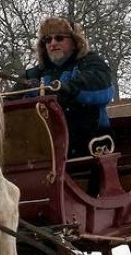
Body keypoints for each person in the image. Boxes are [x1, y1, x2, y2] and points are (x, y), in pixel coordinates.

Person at [24, 17, 115, 158]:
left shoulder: (90, 63)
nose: (53, 43)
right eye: (47, 40)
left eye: (59, 38)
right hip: (47, 148)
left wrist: (68, 88)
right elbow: (14, 97)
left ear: (74, 41)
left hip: (91, 145)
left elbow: (103, 89)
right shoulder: (34, 74)